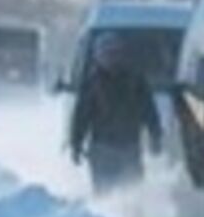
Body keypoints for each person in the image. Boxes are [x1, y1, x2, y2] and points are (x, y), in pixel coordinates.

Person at [69, 33, 163, 194]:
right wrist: (76, 143)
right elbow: (81, 116)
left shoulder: (135, 81)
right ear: (98, 57)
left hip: (130, 147)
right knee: (104, 191)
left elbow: (149, 111)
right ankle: (106, 216)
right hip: (102, 148)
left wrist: (155, 135)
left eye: (115, 53)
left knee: (133, 189)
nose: (111, 58)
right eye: (106, 54)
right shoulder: (92, 83)